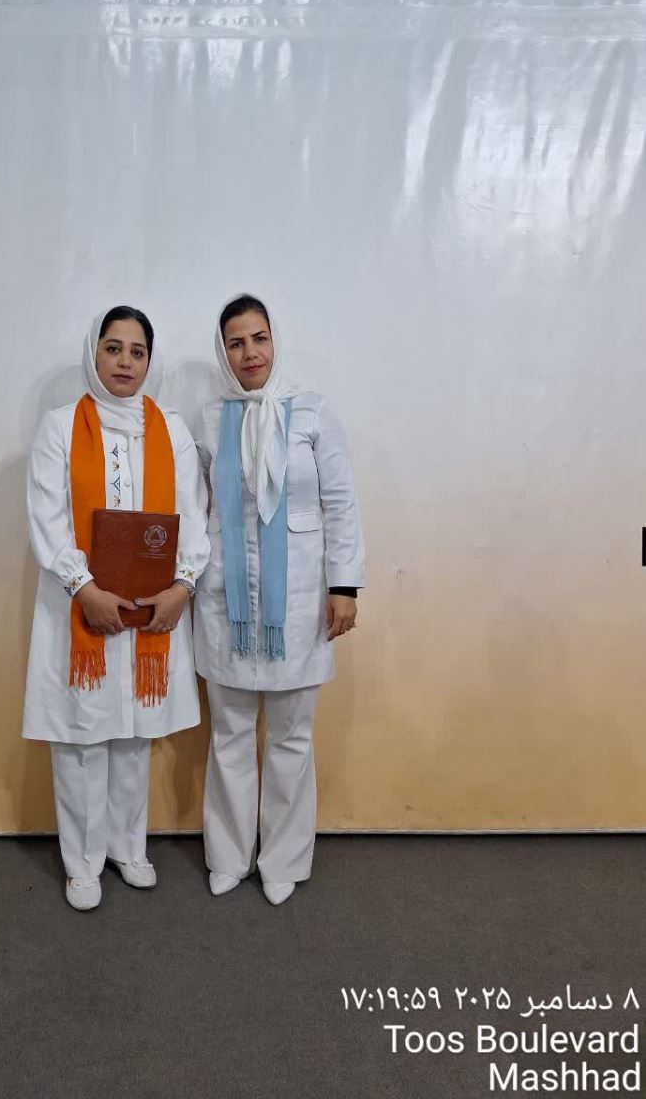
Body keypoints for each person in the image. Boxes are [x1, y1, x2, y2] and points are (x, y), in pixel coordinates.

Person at [23, 307, 209, 911]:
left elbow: (193, 514)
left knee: (134, 732)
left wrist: (183, 585)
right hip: (80, 608)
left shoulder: (171, 430)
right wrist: (83, 588)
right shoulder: (60, 427)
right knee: (83, 735)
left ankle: (128, 847)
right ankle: (81, 863)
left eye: (137, 351)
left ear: (149, 361)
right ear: (93, 354)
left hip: (151, 609)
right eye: (113, 348)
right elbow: (47, 517)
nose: (125, 362)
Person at [194, 294, 365, 905]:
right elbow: (196, 507)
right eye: (236, 343)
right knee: (230, 733)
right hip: (227, 601)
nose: (250, 353)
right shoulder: (208, 418)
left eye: (259, 338)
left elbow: (340, 501)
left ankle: (284, 859)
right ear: (223, 352)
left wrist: (344, 585)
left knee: (292, 735)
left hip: (298, 601)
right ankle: (228, 855)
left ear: (274, 340)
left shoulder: (313, 411)